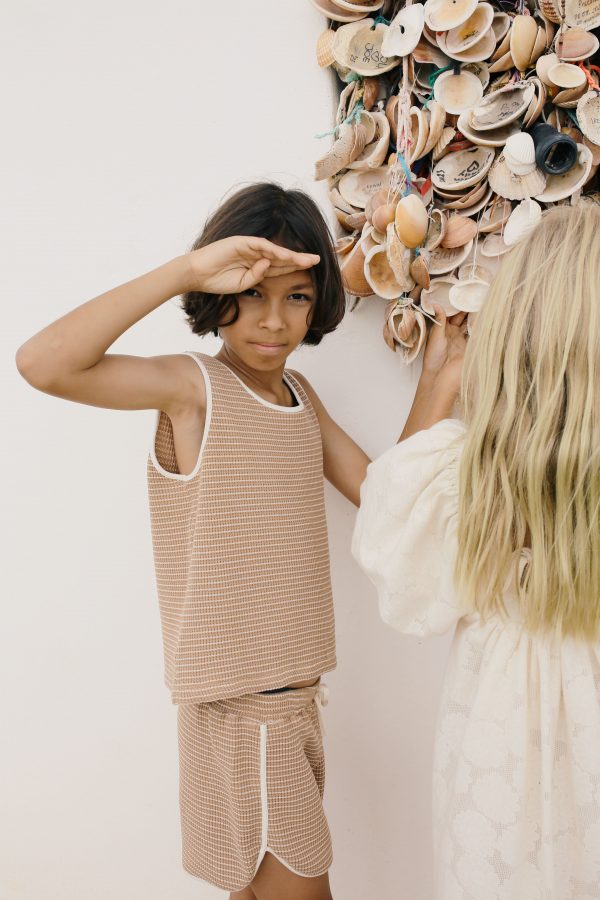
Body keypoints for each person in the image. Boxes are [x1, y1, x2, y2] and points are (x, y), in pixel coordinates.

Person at [16, 182, 370, 900]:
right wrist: (183, 269)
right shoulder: (194, 388)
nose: (274, 321)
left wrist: (441, 373)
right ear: (221, 291)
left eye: (297, 297)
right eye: (254, 294)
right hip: (248, 714)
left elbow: (391, 498)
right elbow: (42, 363)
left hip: (292, 706)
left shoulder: (301, 398)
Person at [352, 201, 600, 899]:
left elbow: (393, 553)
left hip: (502, 758)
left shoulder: (469, 475)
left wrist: (438, 384)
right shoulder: (472, 472)